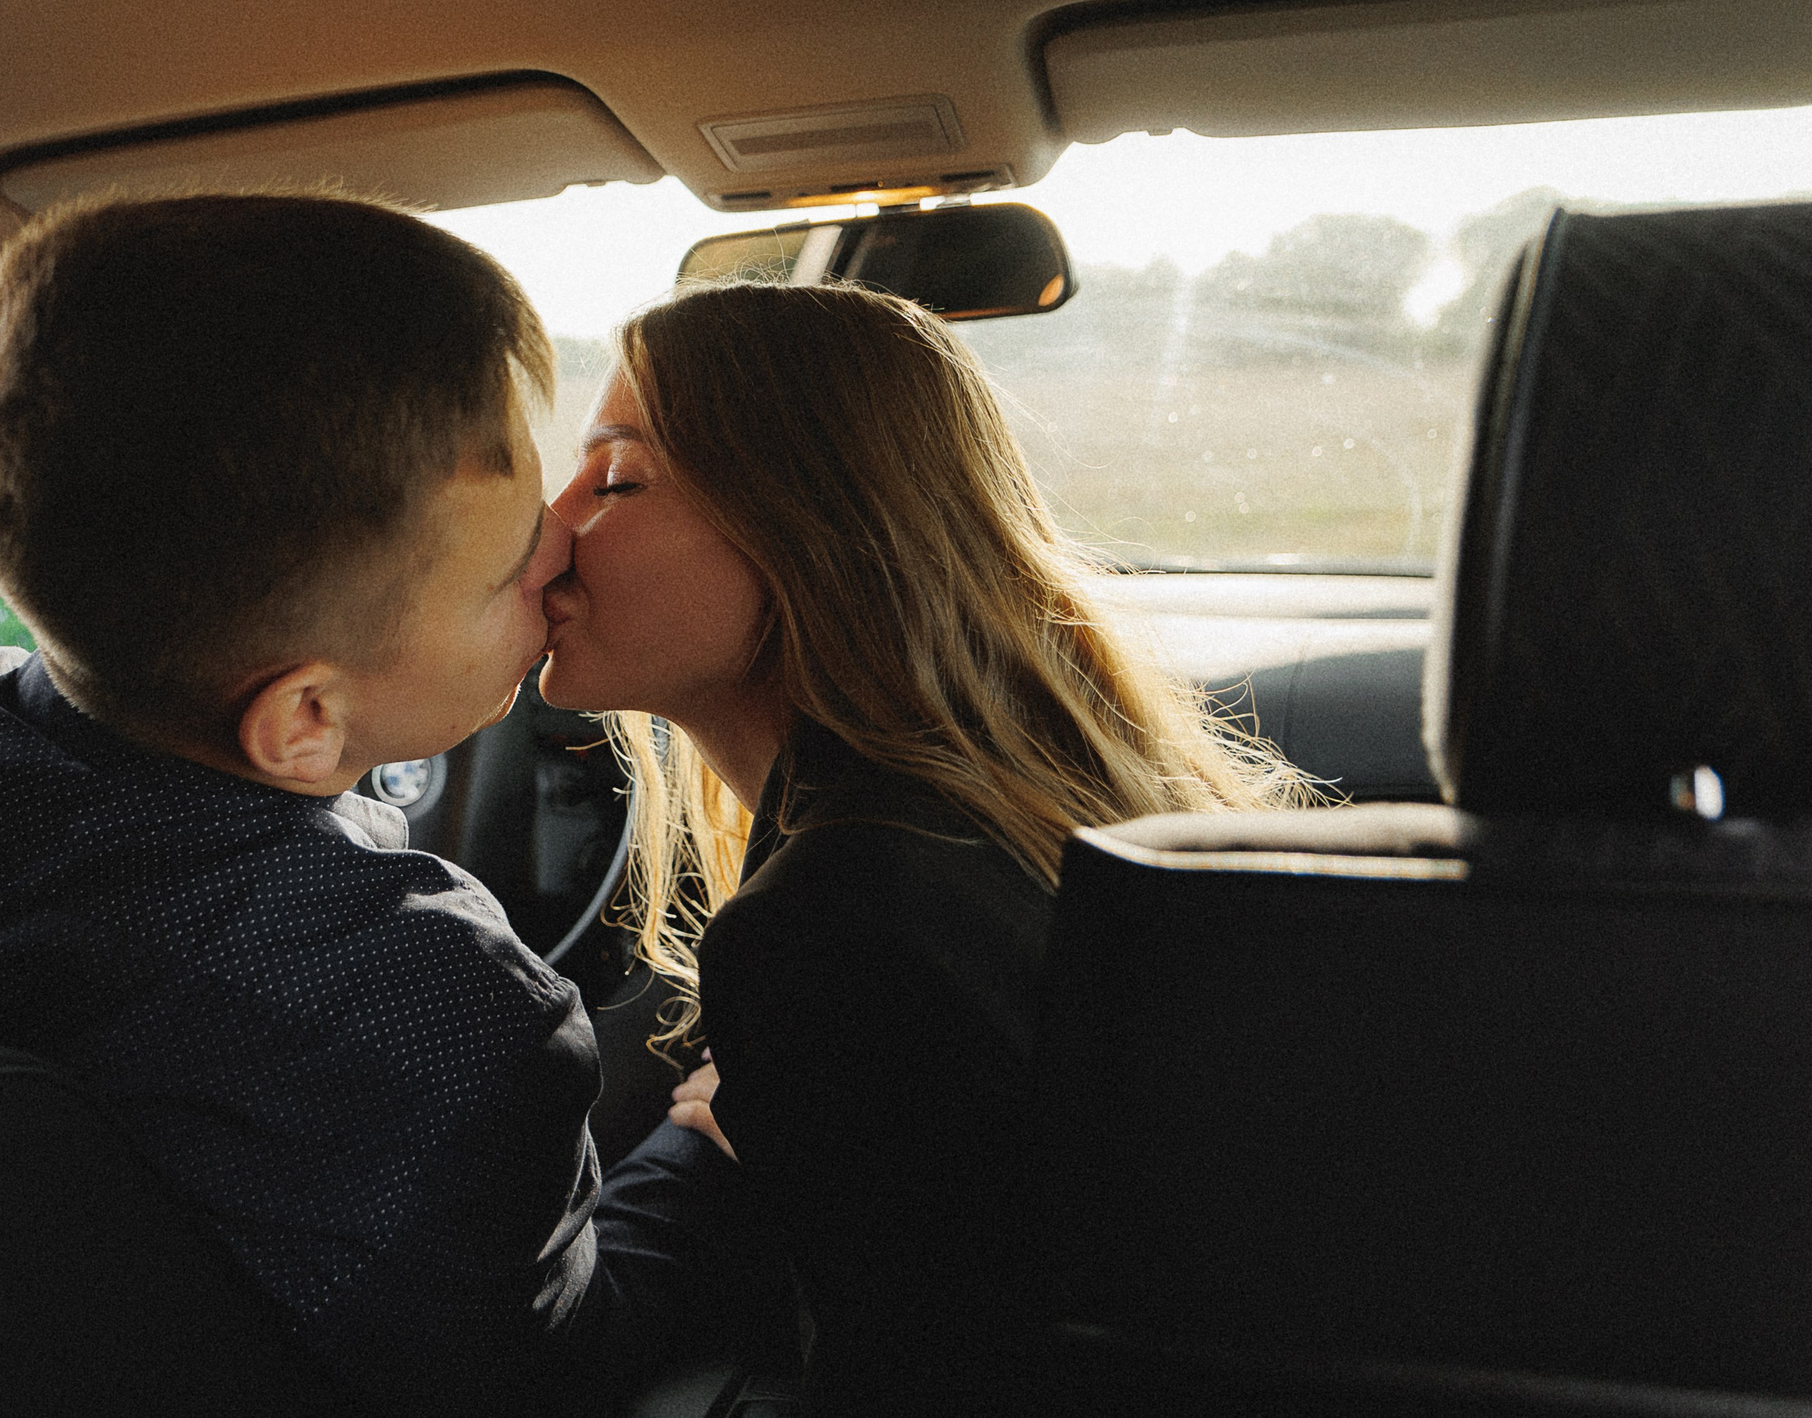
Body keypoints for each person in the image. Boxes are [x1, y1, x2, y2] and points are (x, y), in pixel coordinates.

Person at [0, 192, 754, 1417]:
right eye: (504, 569)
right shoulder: (442, 1010)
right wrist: (698, 1150)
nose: (559, 559)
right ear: (306, 722)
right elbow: (546, 1369)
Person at [539, 279, 1305, 1415]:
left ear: (808, 531)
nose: (552, 527)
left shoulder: (834, 920)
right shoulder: (989, 819)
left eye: (616, 479)